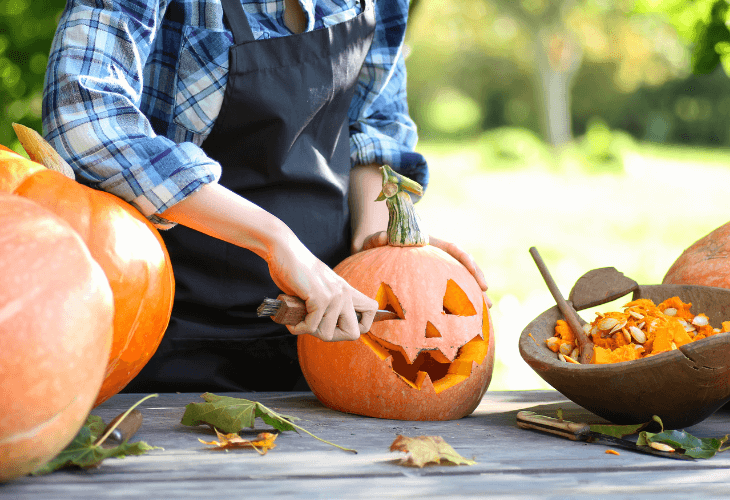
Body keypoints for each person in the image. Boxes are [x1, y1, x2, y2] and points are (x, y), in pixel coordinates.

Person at [42, 0, 488, 392]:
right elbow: (84, 119)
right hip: (161, 334)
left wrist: (377, 253)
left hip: (326, 333)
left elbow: (376, 124)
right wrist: (276, 241)